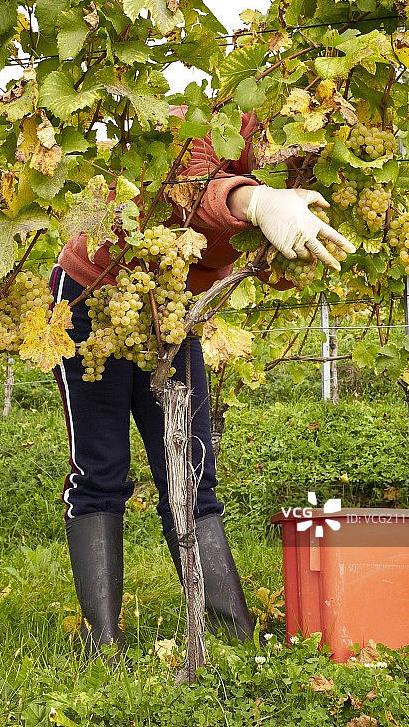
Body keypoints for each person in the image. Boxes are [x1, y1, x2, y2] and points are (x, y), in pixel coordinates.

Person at [50, 109, 355, 659]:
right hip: (95, 293)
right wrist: (258, 202)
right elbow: (196, 193)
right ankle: (103, 644)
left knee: (190, 468)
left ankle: (232, 630)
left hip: (170, 306)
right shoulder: (211, 118)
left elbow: (259, 254)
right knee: (100, 467)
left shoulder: (312, 155)